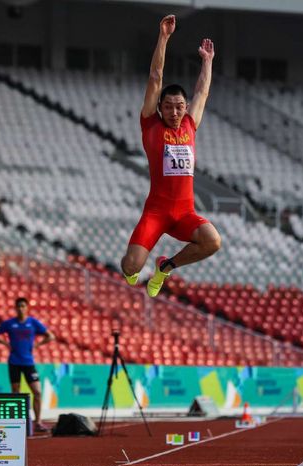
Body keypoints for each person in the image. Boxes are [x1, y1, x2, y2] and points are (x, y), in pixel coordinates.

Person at [120, 14, 222, 298]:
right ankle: (137, 274)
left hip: (184, 213)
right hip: (157, 213)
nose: (175, 112)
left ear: (184, 107)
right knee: (130, 267)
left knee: (213, 242)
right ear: (160, 108)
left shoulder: (190, 124)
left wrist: (208, 61)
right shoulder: (150, 124)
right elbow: (155, 78)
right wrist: (163, 38)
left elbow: (202, 91)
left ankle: (166, 266)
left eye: (179, 106)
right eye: (168, 107)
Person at [0, 297, 55, 432]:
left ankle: (38, 421)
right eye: (18, 306)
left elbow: (50, 336)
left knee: (37, 391)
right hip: (14, 362)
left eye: (23, 306)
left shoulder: (33, 323)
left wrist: (37, 345)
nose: (21, 308)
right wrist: (5, 343)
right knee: (15, 394)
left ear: (27, 308)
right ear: (15, 308)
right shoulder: (9, 323)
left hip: (28, 362)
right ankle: (17, 422)